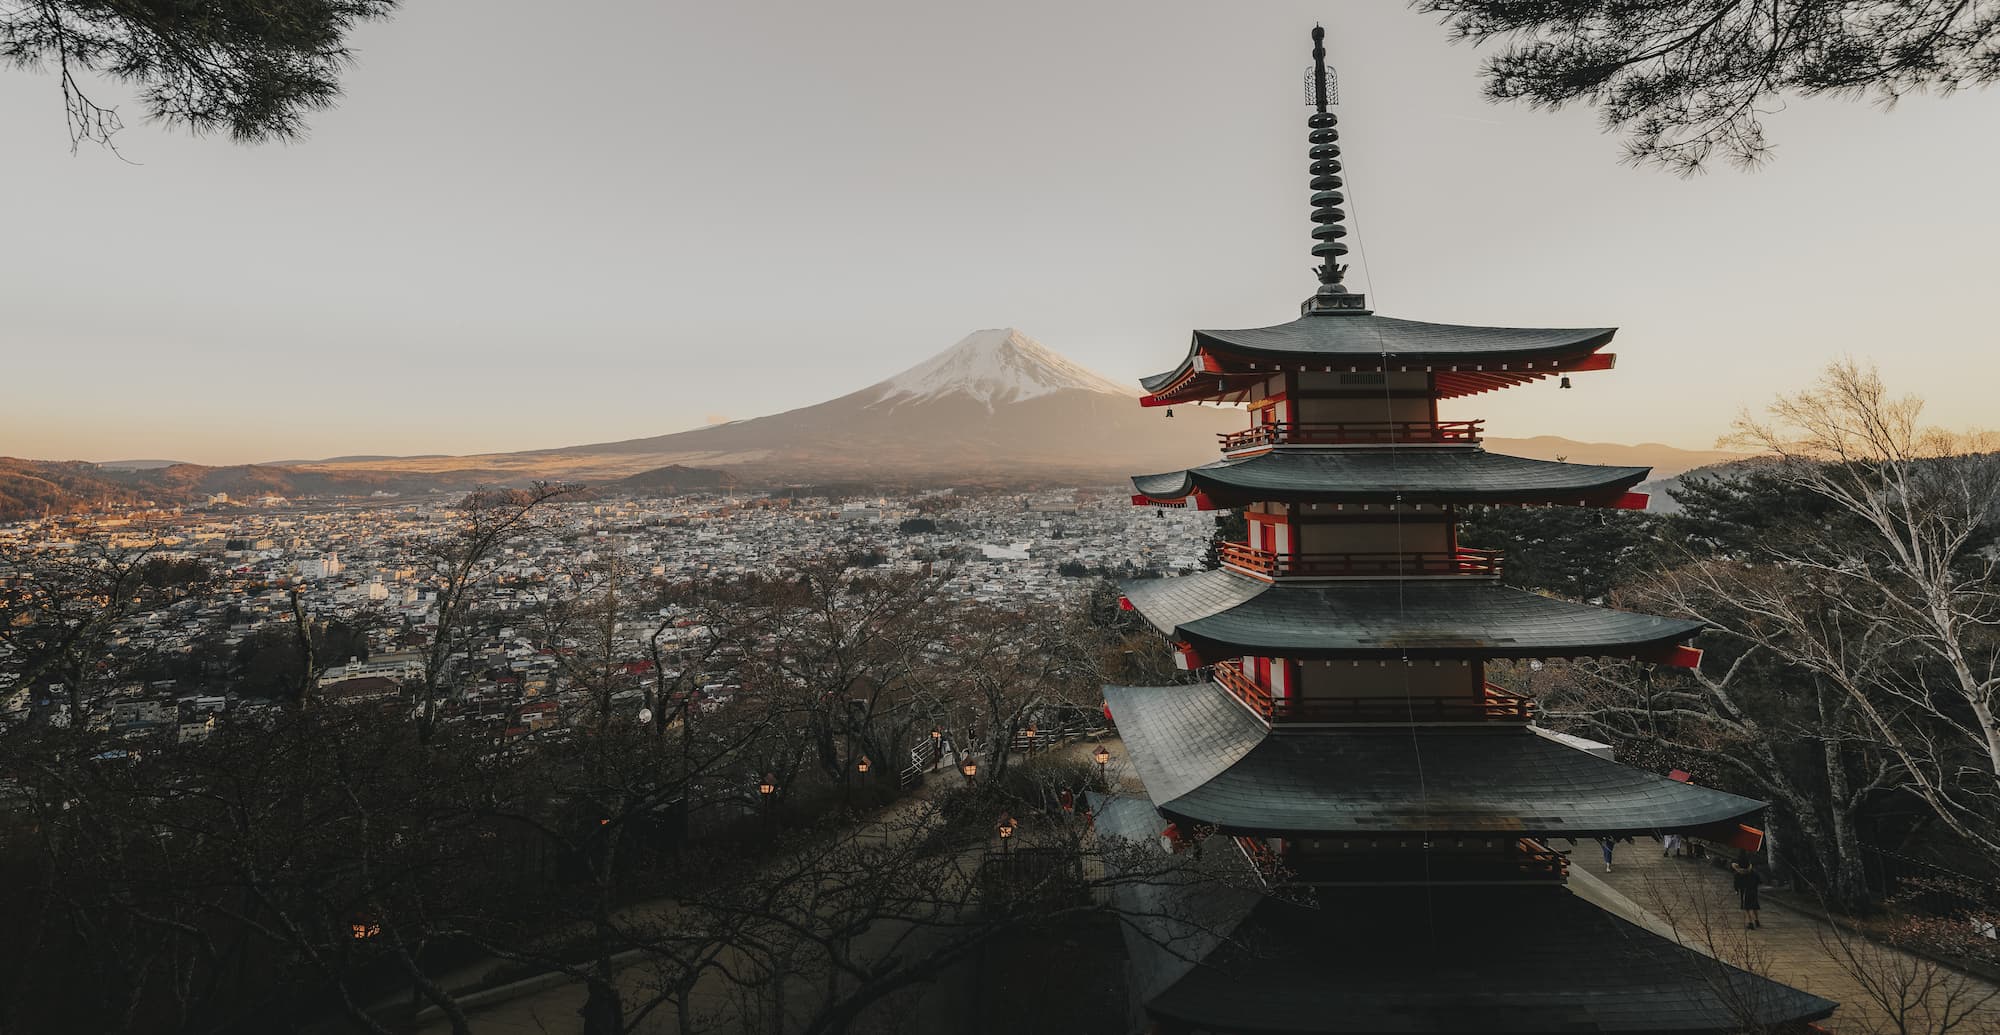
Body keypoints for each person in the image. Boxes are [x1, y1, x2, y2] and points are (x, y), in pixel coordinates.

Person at [1731, 852, 1763, 929]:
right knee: (1754, 906)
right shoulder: (1753, 872)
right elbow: (1759, 880)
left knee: (1746, 907)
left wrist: (1736, 890)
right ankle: (1756, 920)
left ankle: (1750, 922)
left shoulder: (1738, 874)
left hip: (1744, 892)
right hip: (1753, 891)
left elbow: (1736, 884)